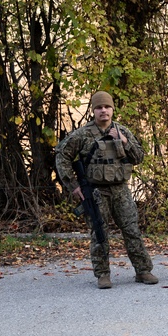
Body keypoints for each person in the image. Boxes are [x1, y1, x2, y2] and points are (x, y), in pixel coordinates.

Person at [55, 91, 159, 289]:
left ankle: (143, 270)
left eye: (107, 107)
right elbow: (62, 155)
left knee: (132, 230)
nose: (103, 110)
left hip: (120, 189)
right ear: (93, 110)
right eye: (99, 107)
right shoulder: (83, 134)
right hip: (95, 191)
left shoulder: (122, 131)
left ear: (112, 109)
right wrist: (73, 185)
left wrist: (124, 141)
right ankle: (103, 274)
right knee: (99, 232)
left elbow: (139, 157)